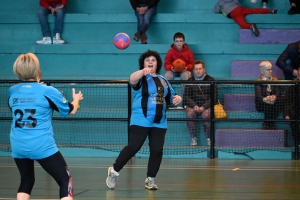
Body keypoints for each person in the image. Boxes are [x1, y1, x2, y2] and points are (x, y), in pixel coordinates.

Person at [8, 53, 83, 200]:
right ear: (36, 70)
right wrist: (76, 100)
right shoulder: (48, 91)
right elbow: (71, 110)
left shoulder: (12, 91)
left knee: (26, 181)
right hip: (41, 145)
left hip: (18, 145)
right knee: (65, 180)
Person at [106, 50, 182, 190]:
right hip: (141, 119)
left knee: (157, 151)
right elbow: (132, 79)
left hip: (160, 121)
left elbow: (173, 96)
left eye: (153, 59)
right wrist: (142, 71)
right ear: (143, 63)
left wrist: (177, 98)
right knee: (133, 147)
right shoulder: (140, 78)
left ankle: (150, 179)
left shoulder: (163, 80)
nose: (150, 62)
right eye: (147, 60)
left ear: (157, 63)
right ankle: (114, 171)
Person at [183, 60, 217, 146]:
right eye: (196, 69)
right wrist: (194, 105)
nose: (198, 71)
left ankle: (209, 138)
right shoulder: (190, 81)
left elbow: (214, 97)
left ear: (204, 69)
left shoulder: (211, 80)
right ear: (193, 70)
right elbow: (186, 97)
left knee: (206, 116)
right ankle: (193, 138)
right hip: (193, 105)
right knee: (190, 115)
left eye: (200, 69)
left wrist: (204, 106)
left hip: (206, 105)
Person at [255, 61, 282, 130]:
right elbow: (258, 96)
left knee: (279, 102)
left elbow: (278, 92)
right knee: (268, 104)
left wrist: (274, 97)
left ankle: (268, 123)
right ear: (262, 71)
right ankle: (268, 123)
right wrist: (266, 99)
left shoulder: (275, 80)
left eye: (271, 69)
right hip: (262, 103)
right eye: (268, 70)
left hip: (273, 101)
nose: (270, 71)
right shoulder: (258, 82)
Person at [284, 76, 300, 146]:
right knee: (293, 119)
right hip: (295, 109)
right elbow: (287, 101)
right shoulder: (291, 86)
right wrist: (286, 114)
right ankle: (298, 143)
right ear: (298, 76)